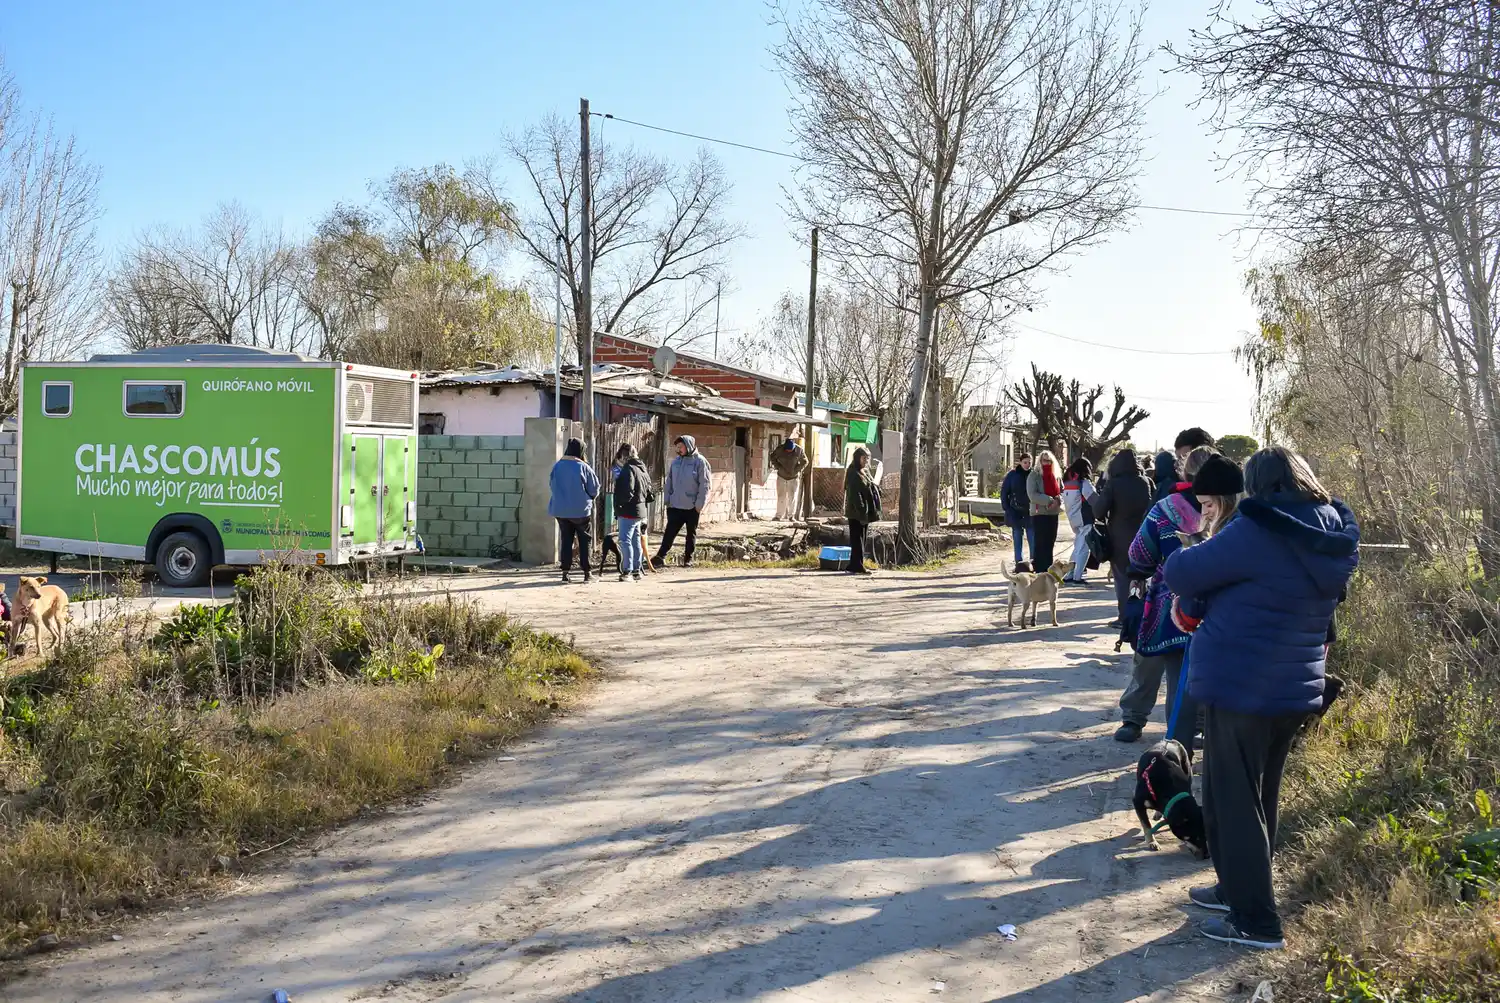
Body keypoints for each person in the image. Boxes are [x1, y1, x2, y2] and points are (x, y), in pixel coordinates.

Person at [1164, 447, 1358, 951]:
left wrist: (1188, 548)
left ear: (1261, 487)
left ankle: (1256, 921)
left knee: (1233, 800)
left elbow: (1184, 575)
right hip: (1292, 686)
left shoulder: (1259, 527)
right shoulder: (1329, 530)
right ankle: (1236, 891)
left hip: (1241, 683)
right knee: (1257, 795)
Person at [1113, 446, 1217, 744]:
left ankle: (1134, 720)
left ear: (1183, 472)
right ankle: (1190, 729)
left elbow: (1140, 554)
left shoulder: (1166, 509)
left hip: (1164, 603)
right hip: (1212, 608)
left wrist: (1136, 591)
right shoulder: (1230, 510)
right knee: (1192, 671)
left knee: (1149, 662)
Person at [1092, 447, 1154, 626]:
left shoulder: (1114, 483)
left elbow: (1098, 511)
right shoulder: (1145, 481)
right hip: (1143, 535)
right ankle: (1140, 614)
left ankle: (1124, 617)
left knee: (1122, 578)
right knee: (1139, 576)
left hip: (1119, 537)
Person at [651, 435, 712, 569]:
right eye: (677, 447)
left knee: (691, 533)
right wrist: (667, 499)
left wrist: (699, 505)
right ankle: (660, 556)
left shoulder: (700, 462)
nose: (678, 450)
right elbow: (669, 482)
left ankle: (688, 559)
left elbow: (705, 485)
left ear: (689, 446)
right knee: (670, 532)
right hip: (675, 505)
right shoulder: (676, 462)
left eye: (681, 447)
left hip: (691, 506)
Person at [548, 437, 600, 584]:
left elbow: (551, 485)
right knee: (585, 541)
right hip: (580, 511)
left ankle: (565, 573)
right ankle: (587, 573)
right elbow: (594, 489)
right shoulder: (584, 467)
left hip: (560, 511)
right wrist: (588, 498)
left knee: (566, 540)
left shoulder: (557, 466)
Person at [613, 443, 653, 582]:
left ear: (624, 456)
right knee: (636, 539)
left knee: (625, 540)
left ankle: (627, 571)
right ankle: (637, 570)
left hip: (628, 510)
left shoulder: (628, 469)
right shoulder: (642, 468)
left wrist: (620, 505)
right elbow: (648, 490)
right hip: (640, 510)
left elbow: (626, 491)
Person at [844, 447, 881, 574]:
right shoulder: (853, 473)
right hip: (857, 512)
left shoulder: (864, 471)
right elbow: (854, 494)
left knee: (862, 538)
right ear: (857, 458)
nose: (866, 461)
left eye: (868, 458)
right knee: (857, 539)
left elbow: (871, 485)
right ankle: (857, 565)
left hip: (865, 511)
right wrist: (861, 511)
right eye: (864, 458)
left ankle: (854, 564)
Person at [1061, 457, 1098, 584]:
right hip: (1085, 518)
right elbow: (1095, 501)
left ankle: (1069, 575)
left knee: (1077, 547)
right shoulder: (1084, 483)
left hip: (1073, 519)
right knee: (1084, 548)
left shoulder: (1067, 483)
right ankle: (1077, 576)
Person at [1026, 449, 1064, 570]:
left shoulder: (1056, 476)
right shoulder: (1034, 475)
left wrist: (1058, 500)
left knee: (1050, 543)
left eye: (1049, 461)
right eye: (1044, 460)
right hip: (1039, 513)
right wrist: (1050, 500)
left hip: (1053, 513)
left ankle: (1048, 569)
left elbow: (1062, 491)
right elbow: (1032, 495)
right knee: (1040, 543)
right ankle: (1039, 569)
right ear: (1040, 461)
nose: (1046, 463)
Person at [1000, 453, 1035, 570]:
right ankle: (1019, 563)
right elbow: (1004, 491)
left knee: (1032, 536)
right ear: (1020, 462)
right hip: (1015, 510)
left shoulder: (1033, 474)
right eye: (1025, 462)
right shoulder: (1012, 475)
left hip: (1030, 511)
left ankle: (1034, 562)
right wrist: (1006, 507)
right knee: (1017, 536)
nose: (1027, 465)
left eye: (1029, 462)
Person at [770, 432, 810, 520]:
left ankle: (791, 516)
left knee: (792, 497)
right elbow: (772, 457)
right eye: (787, 450)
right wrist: (778, 467)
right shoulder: (780, 449)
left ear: (794, 447)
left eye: (790, 450)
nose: (789, 451)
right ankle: (778, 516)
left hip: (794, 477)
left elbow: (805, 461)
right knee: (781, 496)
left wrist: (797, 470)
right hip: (781, 476)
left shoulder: (799, 450)